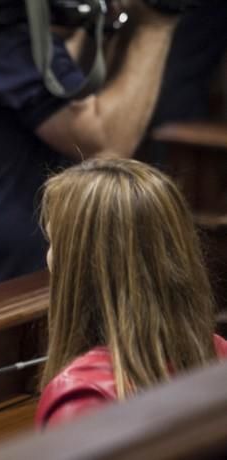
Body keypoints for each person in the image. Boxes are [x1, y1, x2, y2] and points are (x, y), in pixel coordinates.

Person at [0, 0, 180, 302]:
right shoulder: (0, 42)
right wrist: (156, 22)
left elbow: (62, 85)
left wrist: (89, 20)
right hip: (5, 296)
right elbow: (107, 146)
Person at [34, 158, 227, 428]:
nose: (49, 258)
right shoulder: (217, 353)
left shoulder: (80, 398)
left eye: (54, 243)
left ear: (80, 267)